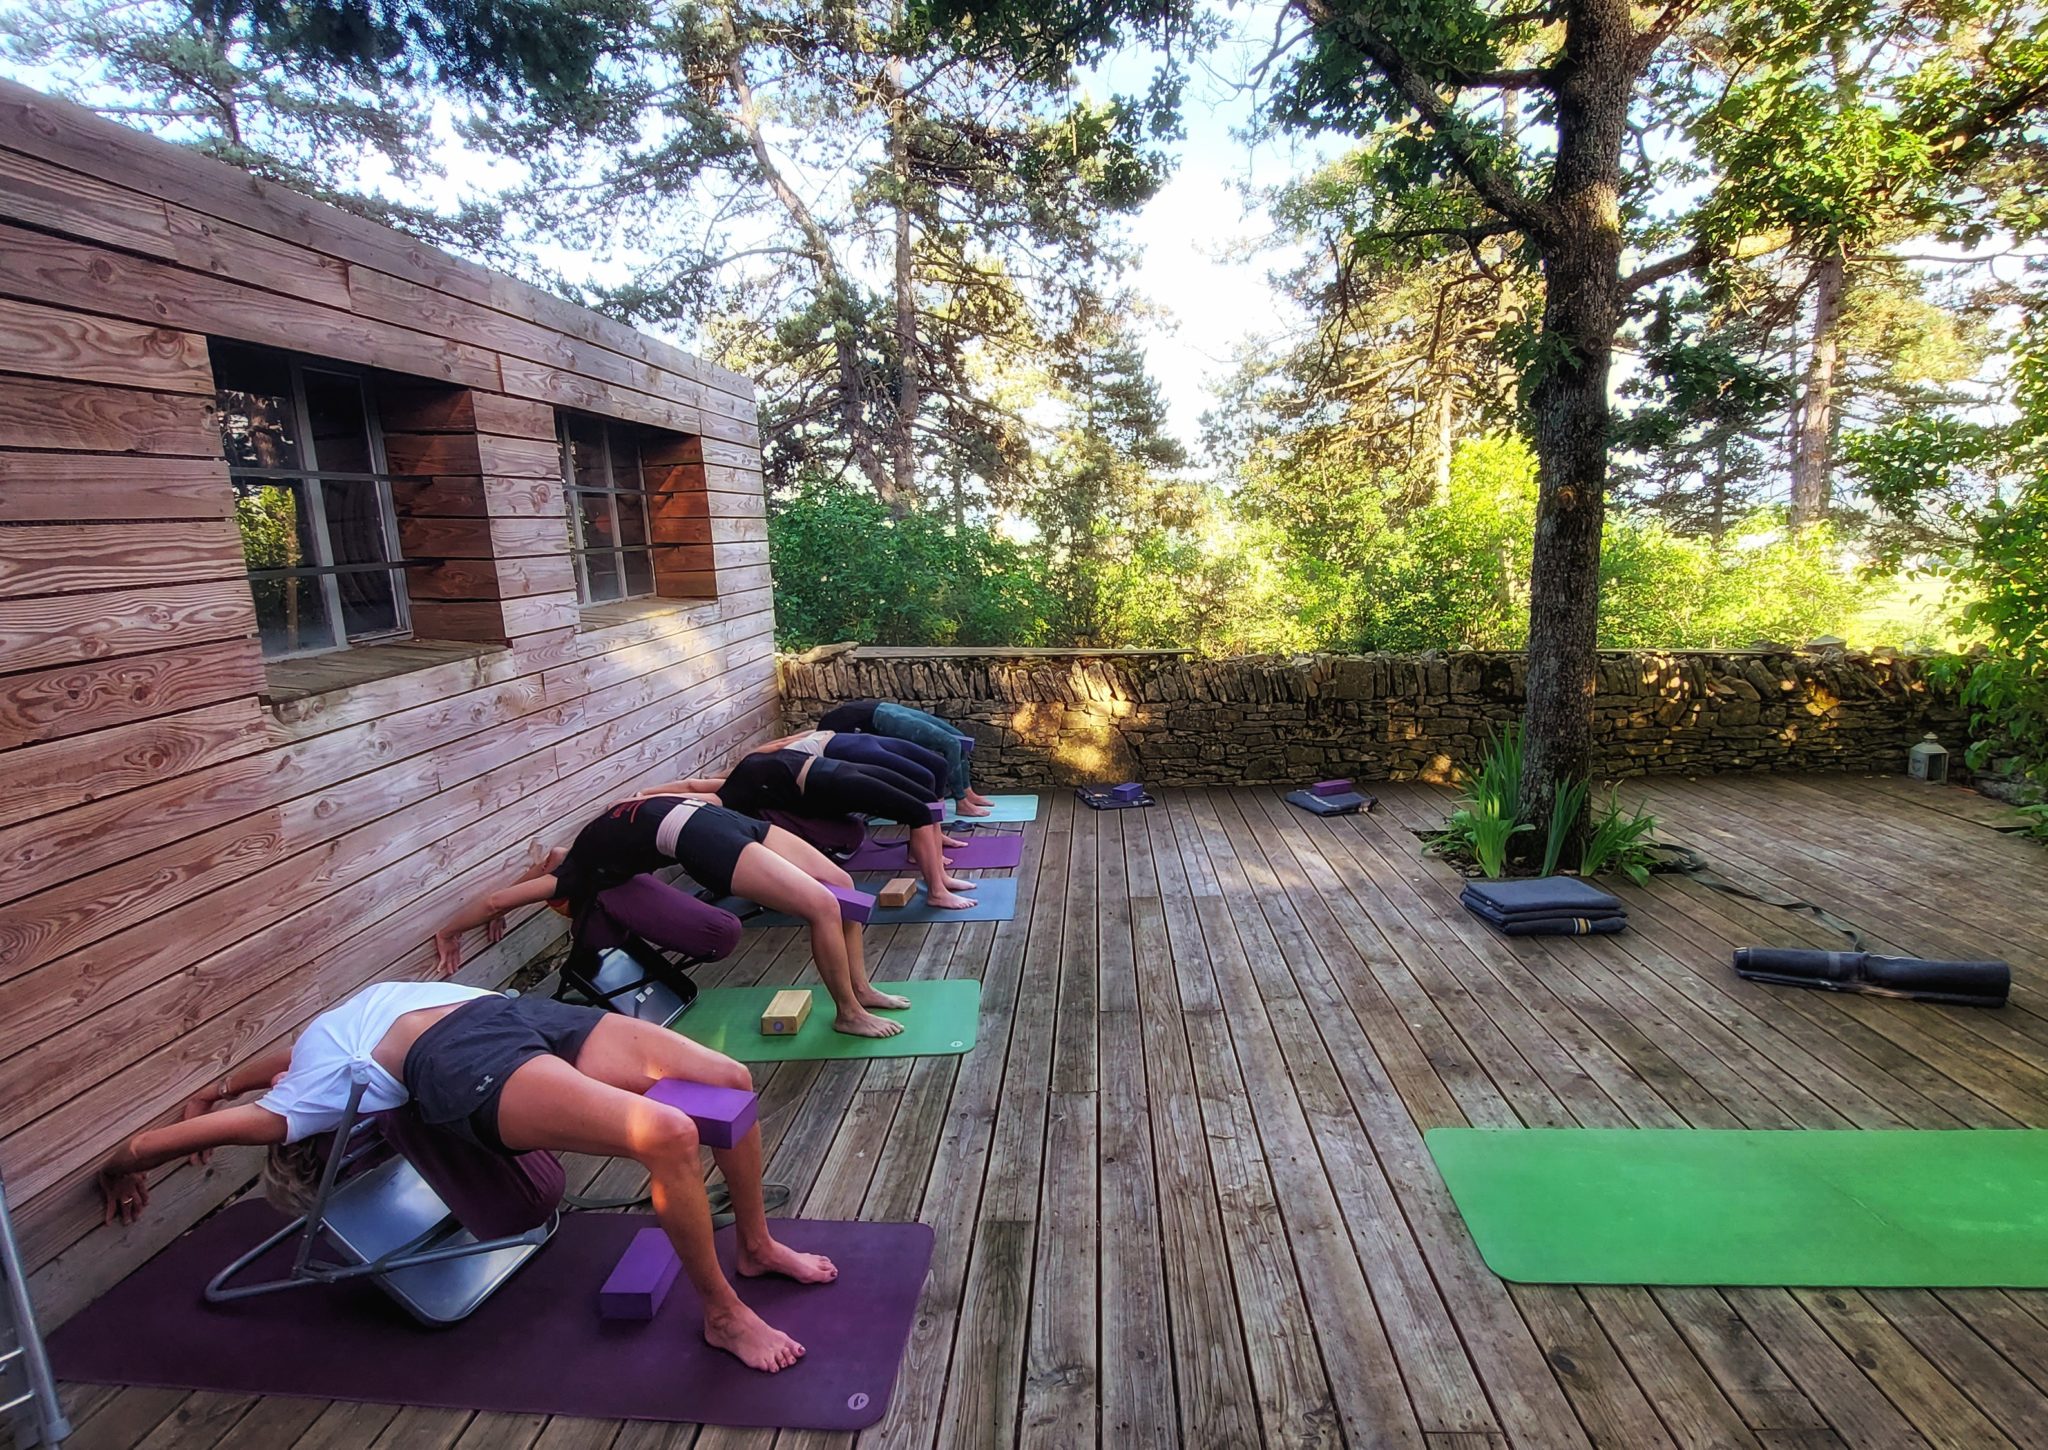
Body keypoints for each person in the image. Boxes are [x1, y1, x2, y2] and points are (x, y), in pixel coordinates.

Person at [94, 980, 833, 1372]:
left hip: (507, 1012)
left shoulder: (312, 1053)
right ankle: (723, 1314)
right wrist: (128, 1162)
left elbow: (276, 1067)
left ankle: (757, 1245)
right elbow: (230, 1123)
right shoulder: (304, 1106)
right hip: (456, 1064)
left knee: (729, 1079)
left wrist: (222, 1083)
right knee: (667, 1133)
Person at [438, 796, 908, 1038]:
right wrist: (461, 923)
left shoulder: (576, 869)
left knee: (841, 888)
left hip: (716, 822)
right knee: (822, 905)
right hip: (699, 832)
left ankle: (862, 989)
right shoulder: (577, 858)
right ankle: (848, 1013)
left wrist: (452, 929)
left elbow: (501, 901)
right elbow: (519, 887)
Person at [647, 748, 978, 911]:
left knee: (923, 799)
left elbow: (691, 783)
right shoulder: (731, 795)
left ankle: (941, 879)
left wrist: (644, 793)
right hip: (830, 780)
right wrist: (647, 800)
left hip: (833, 767)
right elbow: (693, 790)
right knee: (919, 811)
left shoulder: (738, 781)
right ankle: (936, 891)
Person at [815, 700, 996, 817]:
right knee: (951, 744)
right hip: (883, 717)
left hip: (884, 708)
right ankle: (961, 802)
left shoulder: (825, 731)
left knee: (959, 738)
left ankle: (968, 792)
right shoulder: (827, 735)